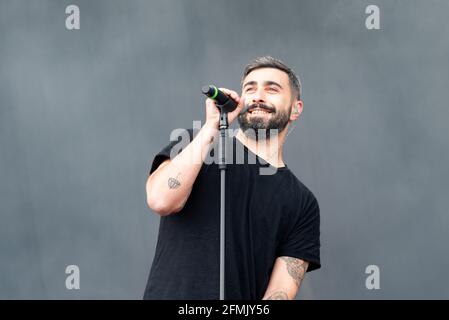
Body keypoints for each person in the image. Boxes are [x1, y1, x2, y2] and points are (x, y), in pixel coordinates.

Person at [144, 56, 320, 300]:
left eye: (272, 89)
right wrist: (210, 130)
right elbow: (161, 200)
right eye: (250, 88)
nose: (258, 96)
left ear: (296, 109)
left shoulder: (302, 202)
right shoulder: (197, 143)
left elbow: (281, 292)